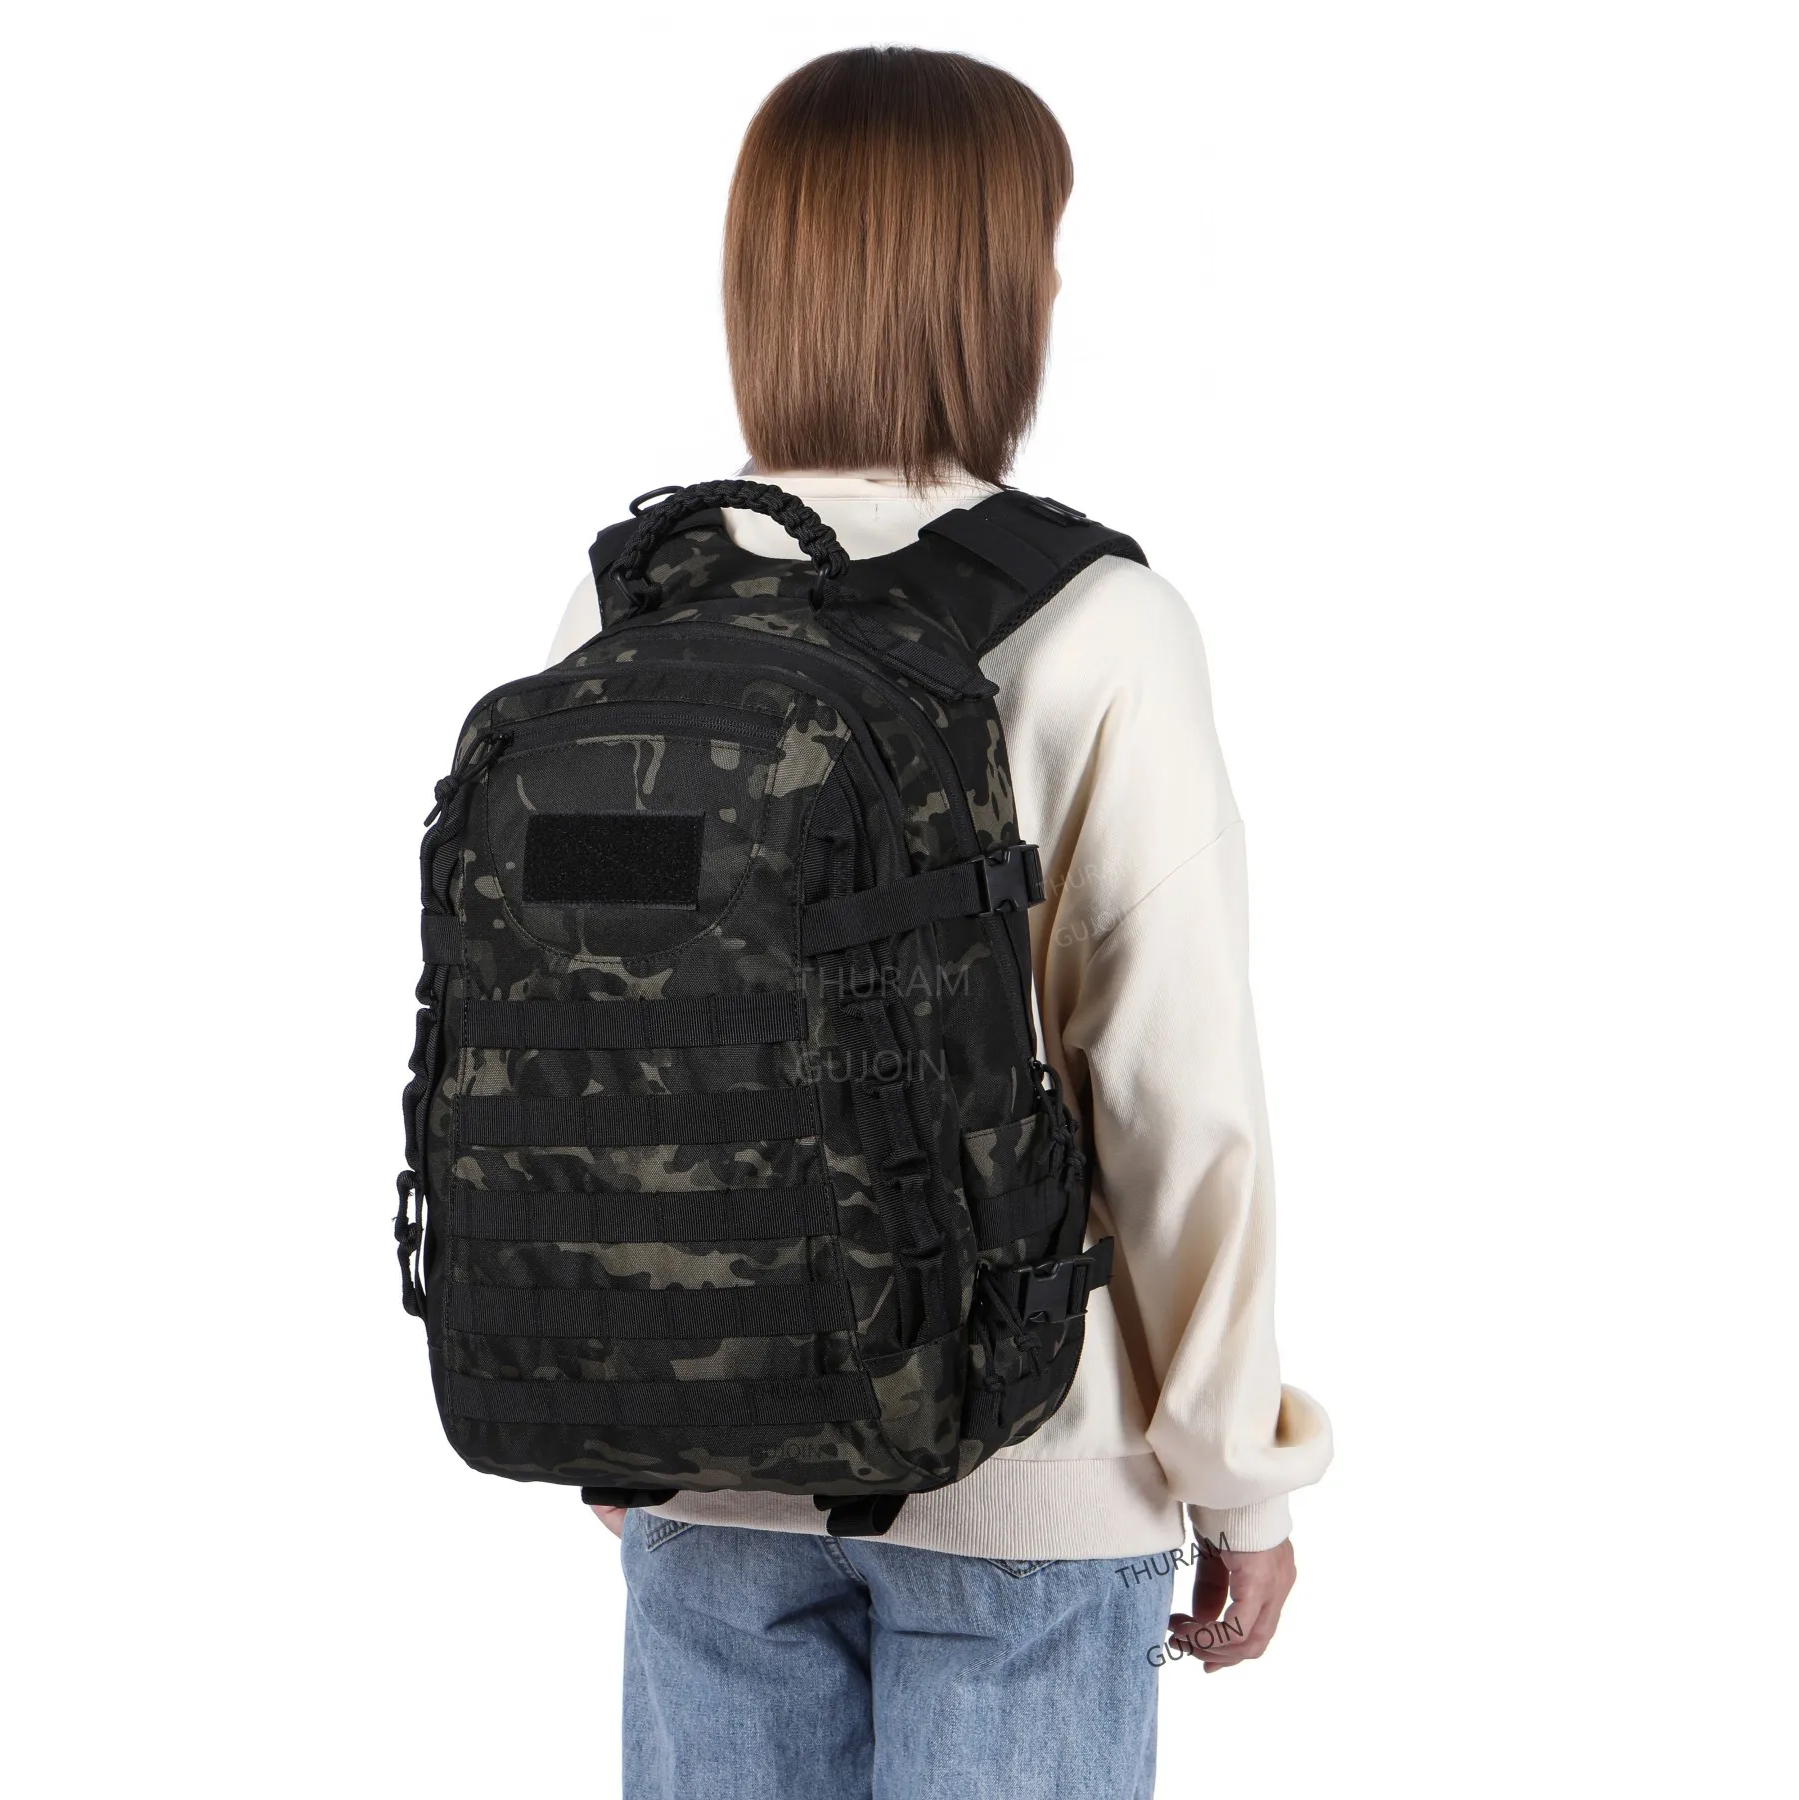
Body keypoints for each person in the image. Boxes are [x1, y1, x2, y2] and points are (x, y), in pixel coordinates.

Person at [546, 46, 1333, 1800]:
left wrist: (613, 1392)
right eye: (1042, 251)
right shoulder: (1101, 625)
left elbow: (585, 1031)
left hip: (705, 1465)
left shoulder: (633, 617)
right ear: (990, 289)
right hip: (1022, 1472)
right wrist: (1237, 1477)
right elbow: (1177, 1097)